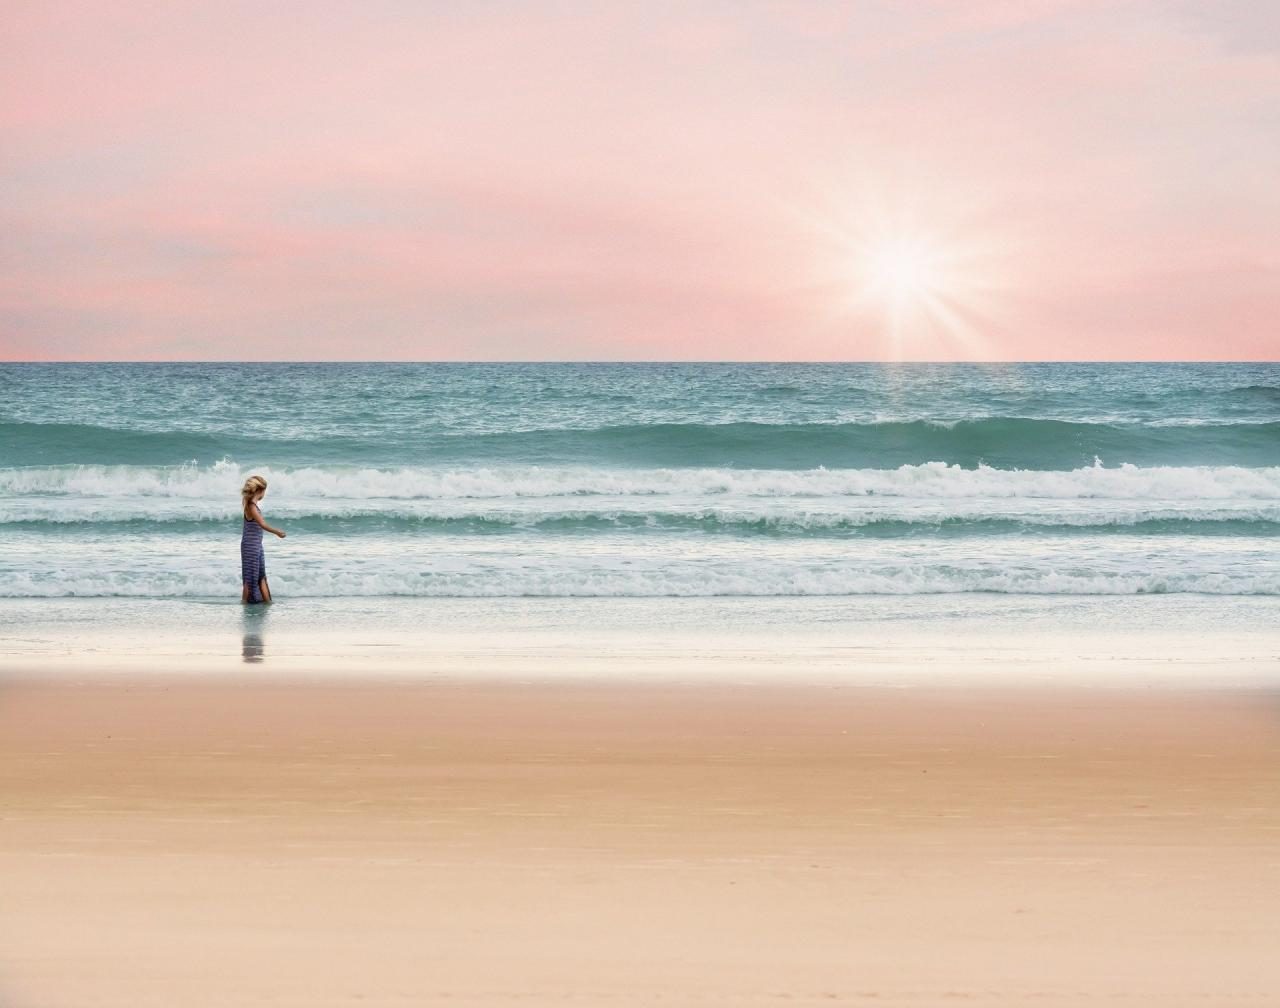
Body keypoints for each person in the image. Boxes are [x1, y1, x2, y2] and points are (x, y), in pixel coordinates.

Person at [240, 475, 285, 603]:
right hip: (250, 547)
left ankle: (268, 603)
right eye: (264, 491)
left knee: (261, 576)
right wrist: (277, 532)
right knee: (249, 578)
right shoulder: (251, 506)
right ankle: (244, 604)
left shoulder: (252, 505)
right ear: (260, 491)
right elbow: (262, 524)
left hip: (257, 546)